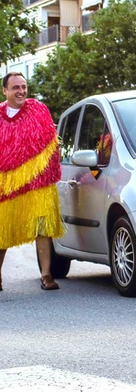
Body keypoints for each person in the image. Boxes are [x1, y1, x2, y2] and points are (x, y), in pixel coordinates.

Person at [0, 72, 63, 291]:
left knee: (42, 228)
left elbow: (50, 144)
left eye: (24, 87)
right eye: (15, 87)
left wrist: (43, 175)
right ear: (5, 91)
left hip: (38, 184)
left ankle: (46, 275)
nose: (21, 91)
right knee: (2, 230)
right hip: (6, 184)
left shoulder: (38, 110)